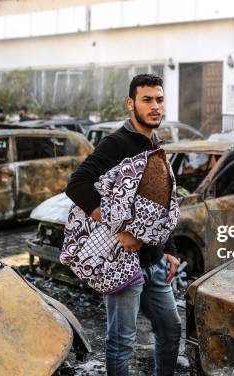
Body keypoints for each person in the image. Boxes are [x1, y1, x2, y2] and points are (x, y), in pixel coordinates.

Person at [66, 74, 181, 376]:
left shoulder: (154, 143)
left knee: (171, 330)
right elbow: (77, 185)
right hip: (123, 262)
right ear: (131, 104)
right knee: (122, 343)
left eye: (159, 99)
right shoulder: (117, 144)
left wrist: (169, 248)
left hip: (155, 262)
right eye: (147, 100)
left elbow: (160, 203)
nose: (155, 106)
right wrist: (120, 229)